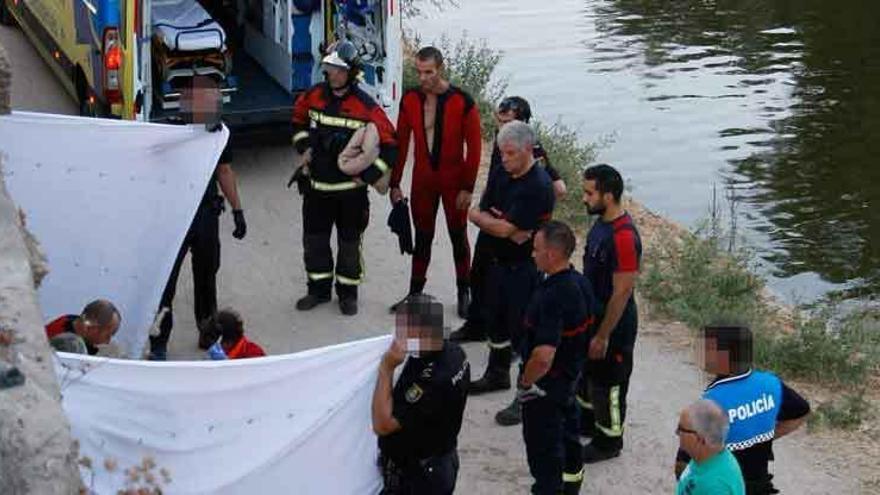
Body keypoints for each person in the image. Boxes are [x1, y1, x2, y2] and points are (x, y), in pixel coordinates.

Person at [291, 40, 397, 316]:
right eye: (329, 67)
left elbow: (390, 145)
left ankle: (348, 294)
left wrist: (370, 175)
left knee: (349, 244)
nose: (331, 72)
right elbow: (298, 120)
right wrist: (305, 148)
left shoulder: (366, 107)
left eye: (337, 68)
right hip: (316, 190)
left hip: (351, 193)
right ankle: (318, 290)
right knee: (315, 242)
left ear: (350, 72)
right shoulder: (314, 96)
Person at [451, 95, 565, 343]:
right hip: (495, 215)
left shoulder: (532, 151)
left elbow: (559, 188)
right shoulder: (502, 145)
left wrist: (532, 221)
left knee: (515, 295)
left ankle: (512, 343)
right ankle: (476, 325)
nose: (501, 128)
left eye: (507, 122)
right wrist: (486, 216)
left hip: (519, 229)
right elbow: (488, 195)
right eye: (499, 122)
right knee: (479, 276)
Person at [149, 75, 247, 361]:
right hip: (174, 217)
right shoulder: (168, 133)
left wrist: (238, 210)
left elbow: (224, 172)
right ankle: (158, 341)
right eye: (206, 99)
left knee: (207, 279)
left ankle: (208, 334)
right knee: (166, 284)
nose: (212, 104)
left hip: (205, 215)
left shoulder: (219, 134)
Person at [388, 46, 482, 318]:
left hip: (454, 180)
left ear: (440, 68)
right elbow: (402, 141)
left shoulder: (463, 101)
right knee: (423, 236)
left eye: (428, 72)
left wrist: (468, 187)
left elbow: (474, 150)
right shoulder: (410, 100)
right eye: (419, 72)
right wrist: (395, 183)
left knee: (458, 236)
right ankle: (415, 293)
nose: (423, 78)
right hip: (423, 180)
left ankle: (464, 292)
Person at [467, 121, 554, 400]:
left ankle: (525, 391)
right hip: (495, 261)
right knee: (495, 321)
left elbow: (502, 227)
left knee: (523, 331)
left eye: (510, 154)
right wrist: (493, 221)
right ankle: (497, 373)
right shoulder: (500, 172)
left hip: (523, 268)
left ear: (528, 150)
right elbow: (482, 213)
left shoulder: (538, 186)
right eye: (501, 153)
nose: (503, 159)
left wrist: (494, 222)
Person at [675, 325, 810, 494]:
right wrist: (768, 433)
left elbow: (688, 453)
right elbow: (801, 411)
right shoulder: (770, 384)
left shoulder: (714, 400)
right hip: (759, 481)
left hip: (723, 481)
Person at [518, 221, 595, 495]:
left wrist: (526, 383)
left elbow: (543, 356)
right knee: (570, 446)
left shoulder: (553, 296)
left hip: (545, 389)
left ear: (551, 254)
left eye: (536, 249)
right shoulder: (581, 283)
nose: (532, 254)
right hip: (570, 381)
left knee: (544, 455)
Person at [372, 294, 470, 494]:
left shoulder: (432, 381)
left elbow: (383, 424)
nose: (398, 335)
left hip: (421, 478)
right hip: (441, 461)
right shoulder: (454, 353)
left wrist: (386, 369)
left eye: (404, 329)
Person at [578, 163, 642, 463]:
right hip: (594, 317)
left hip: (614, 325)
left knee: (610, 385)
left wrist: (604, 335)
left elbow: (622, 291)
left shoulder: (624, 237)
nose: (584, 199)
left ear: (609, 195)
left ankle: (608, 441)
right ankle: (587, 422)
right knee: (590, 376)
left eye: (590, 193)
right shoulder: (601, 223)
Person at [676, 399, 746, 495]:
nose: (677, 433)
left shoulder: (716, 487)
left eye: (681, 428)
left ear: (700, 438)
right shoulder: (705, 458)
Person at [45, 299, 121, 356]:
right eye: (107, 335)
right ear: (92, 328)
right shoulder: (64, 344)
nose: (107, 342)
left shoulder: (69, 320)